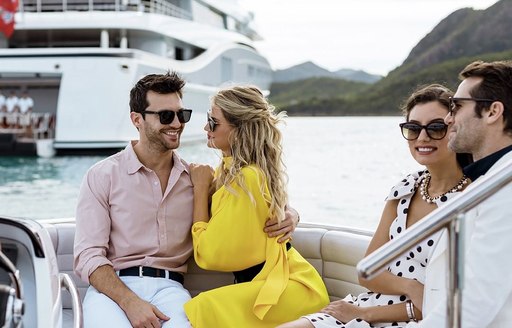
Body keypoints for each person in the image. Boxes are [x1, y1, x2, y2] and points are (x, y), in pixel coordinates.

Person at [73, 72, 299, 328]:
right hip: (113, 291)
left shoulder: (200, 181)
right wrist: (130, 302)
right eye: (166, 116)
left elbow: (248, 202)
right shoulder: (102, 176)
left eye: (182, 115)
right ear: (137, 119)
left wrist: (290, 214)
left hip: (171, 288)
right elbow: (88, 256)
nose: (177, 123)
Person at [278, 84, 472, 328]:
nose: (422, 137)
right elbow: (367, 271)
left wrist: (364, 315)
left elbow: (449, 303)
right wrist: (412, 287)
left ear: (455, 129)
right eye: (413, 128)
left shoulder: (474, 198)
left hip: (421, 320)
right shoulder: (405, 190)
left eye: (435, 128)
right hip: (372, 304)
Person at [183, 85, 329, 327]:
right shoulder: (231, 172)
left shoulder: (246, 178)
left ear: (238, 130)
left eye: (213, 122)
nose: (206, 128)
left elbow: (207, 255)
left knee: (202, 307)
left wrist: (200, 190)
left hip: (292, 291)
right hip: (273, 285)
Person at [409, 60, 512, 327]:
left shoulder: (505, 187)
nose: (448, 118)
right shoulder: (490, 179)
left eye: (457, 106)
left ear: (492, 112)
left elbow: (475, 302)